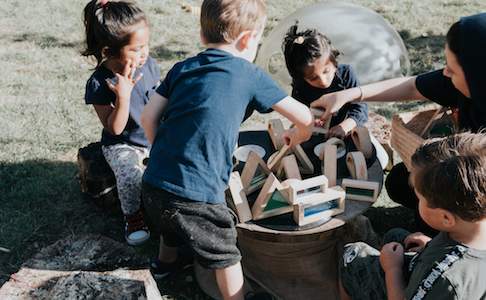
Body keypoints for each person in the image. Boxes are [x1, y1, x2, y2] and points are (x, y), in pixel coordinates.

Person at [311, 12, 486, 239]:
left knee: (434, 199)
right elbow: (413, 86)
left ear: (481, 78)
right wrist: (350, 94)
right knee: (400, 182)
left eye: (452, 69)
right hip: (475, 177)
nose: (445, 74)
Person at [140, 0, 314, 299]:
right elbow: (305, 118)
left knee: (170, 222)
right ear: (248, 38)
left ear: (201, 33)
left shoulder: (182, 68)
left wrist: (166, 153)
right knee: (226, 254)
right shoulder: (250, 74)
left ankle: (165, 262)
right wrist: (298, 136)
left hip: (154, 183)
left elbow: (147, 117)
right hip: (199, 198)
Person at [339, 132, 486, 300]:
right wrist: (431, 245)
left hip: (433, 285)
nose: (417, 201)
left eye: (419, 198)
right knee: (395, 236)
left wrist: (393, 270)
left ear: (446, 218)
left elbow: (444, 275)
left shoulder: (445, 276)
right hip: (476, 285)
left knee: (352, 254)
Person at [82, 0, 159, 246]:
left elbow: (158, 99)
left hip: (153, 133)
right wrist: (122, 96)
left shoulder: (148, 66)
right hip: (122, 144)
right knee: (130, 176)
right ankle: (133, 215)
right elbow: (114, 128)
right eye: (136, 49)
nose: (144, 53)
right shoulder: (99, 83)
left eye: (146, 45)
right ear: (110, 51)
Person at [282, 22, 369, 140]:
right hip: (315, 136)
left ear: (334, 61)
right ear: (301, 78)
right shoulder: (301, 87)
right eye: (313, 78)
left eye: (326, 71)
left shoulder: (346, 74)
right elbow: (300, 115)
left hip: (347, 131)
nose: (323, 81)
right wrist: (311, 122)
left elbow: (360, 109)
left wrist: (343, 127)